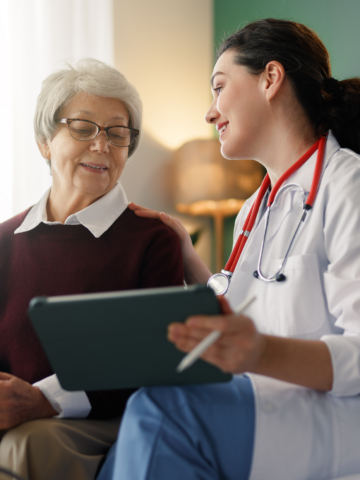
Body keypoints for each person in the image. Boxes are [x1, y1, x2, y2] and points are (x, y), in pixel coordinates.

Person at [99, 18, 360, 480]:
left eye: (219, 87)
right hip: (261, 401)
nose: (210, 111)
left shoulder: (347, 186)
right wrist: (185, 252)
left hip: (333, 417)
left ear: (271, 78)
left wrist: (259, 353)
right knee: (144, 413)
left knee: (165, 412)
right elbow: (244, 308)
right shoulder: (253, 210)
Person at [0, 59, 183, 480]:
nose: (102, 146)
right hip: (14, 420)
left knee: (26, 442)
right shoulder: (5, 242)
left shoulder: (152, 241)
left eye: (117, 133)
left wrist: (45, 399)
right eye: (83, 128)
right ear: (45, 141)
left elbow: (151, 364)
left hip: (106, 420)